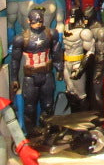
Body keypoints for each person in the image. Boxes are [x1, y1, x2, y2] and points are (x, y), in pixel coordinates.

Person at [10, 8, 64, 136]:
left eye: (40, 21)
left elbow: (56, 52)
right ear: (28, 21)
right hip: (30, 77)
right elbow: (15, 60)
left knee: (48, 105)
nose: (38, 24)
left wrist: (59, 68)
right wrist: (14, 78)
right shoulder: (21, 39)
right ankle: (31, 133)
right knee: (29, 107)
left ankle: (48, 130)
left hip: (46, 74)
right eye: (35, 22)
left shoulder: (51, 33)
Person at [62, 7, 95, 112]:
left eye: (74, 15)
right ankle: (74, 116)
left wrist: (81, 68)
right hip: (67, 63)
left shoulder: (84, 32)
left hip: (77, 63)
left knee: (81, 95)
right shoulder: (65, 27)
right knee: (70, 91)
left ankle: (84, 117)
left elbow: (91, 51)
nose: (72, 17)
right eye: (70, 15)